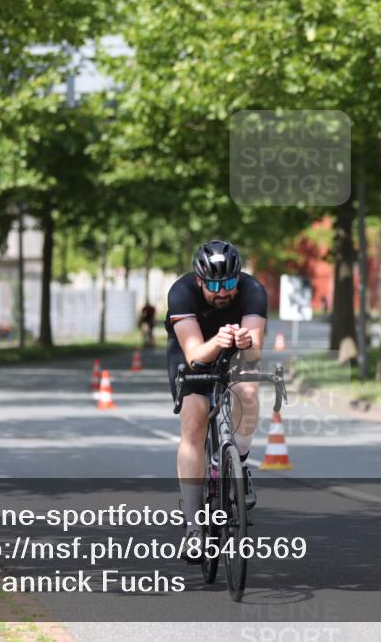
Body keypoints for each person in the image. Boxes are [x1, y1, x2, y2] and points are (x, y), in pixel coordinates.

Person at [165, 240, 267, 562]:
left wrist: (246, 342)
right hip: (192, 356)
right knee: (195, 418)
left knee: (248, 391)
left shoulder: (253, 290)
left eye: (229, 283)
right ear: (199, 281)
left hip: (234, 356)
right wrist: (219, 341)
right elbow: (195, 356)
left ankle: (240, 462)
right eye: (213, 285)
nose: (222, 292)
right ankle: (194, 527)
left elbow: (254, 354)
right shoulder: (181, 292)